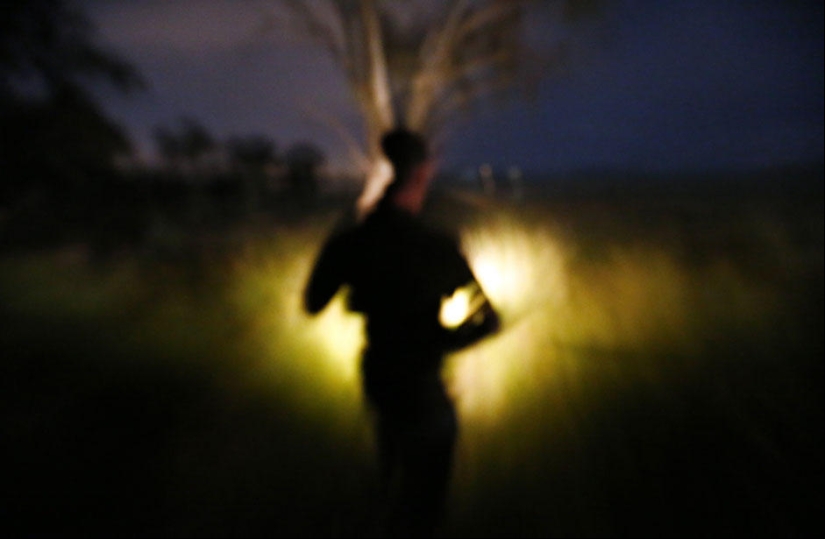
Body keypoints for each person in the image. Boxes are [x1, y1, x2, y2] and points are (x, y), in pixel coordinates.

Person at [304, 127, 500, 537]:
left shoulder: (353, 241)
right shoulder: (437, 246)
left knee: (391, 479)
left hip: (379, 378)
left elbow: (313, 303)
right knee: (425, 501)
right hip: (424, 383)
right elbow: (488, 320)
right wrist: (444, 339)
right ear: (422, 175)